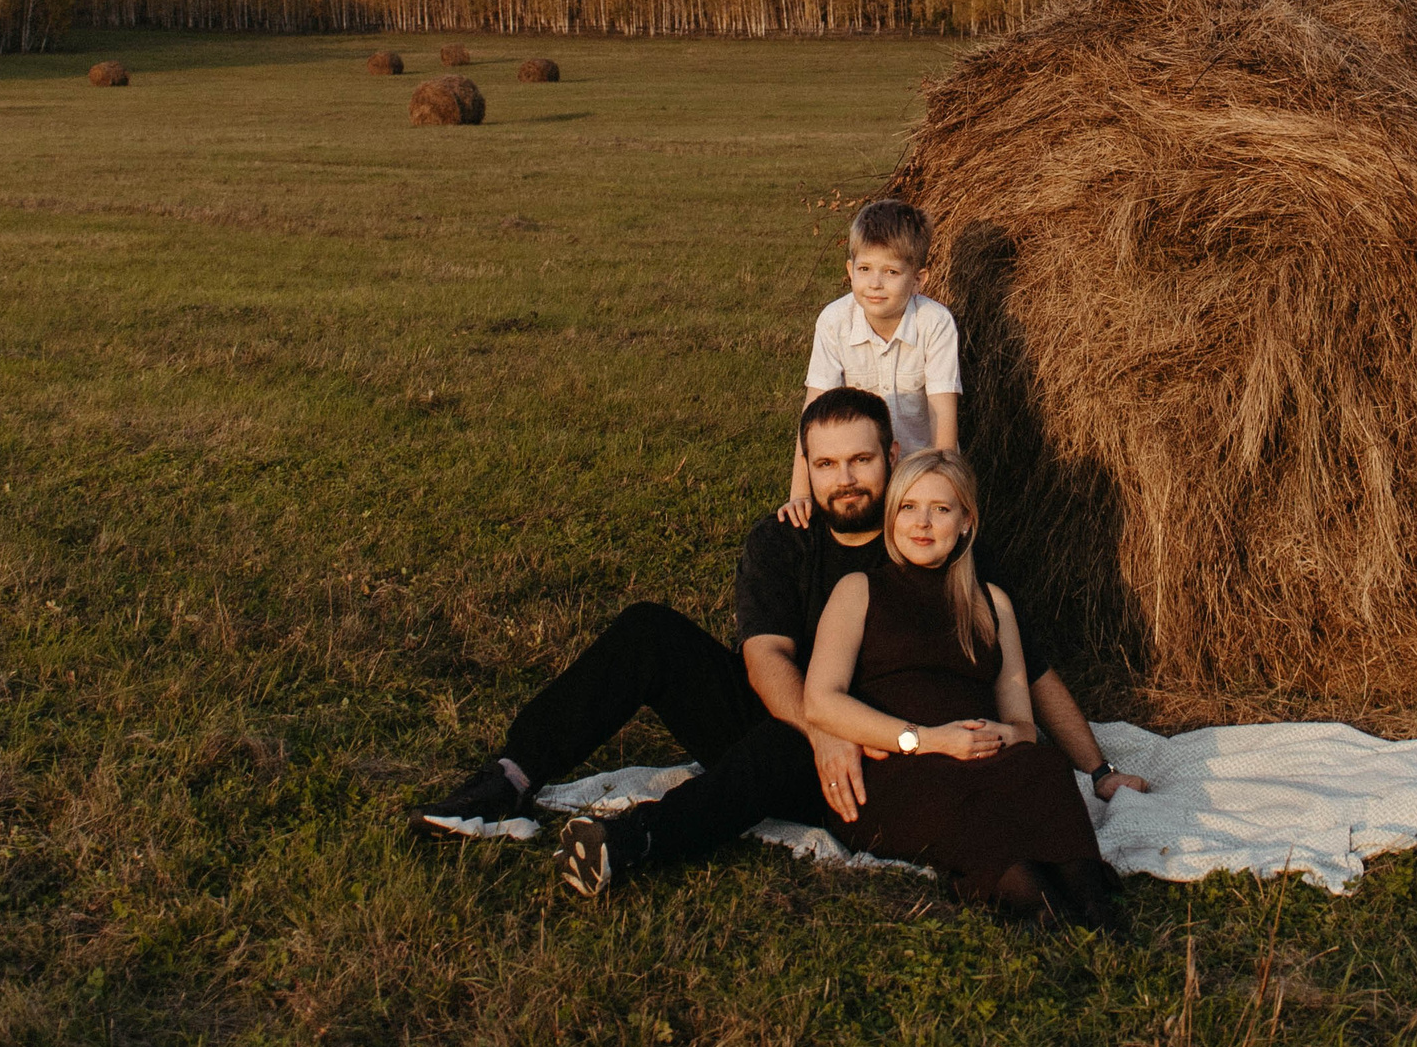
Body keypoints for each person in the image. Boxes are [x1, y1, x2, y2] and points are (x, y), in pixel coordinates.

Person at [405, 387, 1149, 895]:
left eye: (860, 459)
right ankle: (509, 777)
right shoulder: (784, 540)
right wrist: (821, 728)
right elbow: (765, 659)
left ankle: (634, 844)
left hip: (886, 751)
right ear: (808, 468)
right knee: (648, 632)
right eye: (825, 464)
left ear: (891, 453)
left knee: (776, 754)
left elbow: (1031, 665)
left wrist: (1100, 767)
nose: (844, 478)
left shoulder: (934, 533)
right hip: (803, 717)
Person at [805, 447, 1124, 931]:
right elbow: (821, 700)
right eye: (908, 507)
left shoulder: (991, 603)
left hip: (979, 756)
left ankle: (1091, 895)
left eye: (941, 508)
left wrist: (995, 737)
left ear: (966, 522)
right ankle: (1030, 900)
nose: (923, 523)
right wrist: (928, 740)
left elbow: (1022, 723)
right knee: (962, 795)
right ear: (891, 517)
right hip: (899, 768)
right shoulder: (859, 590)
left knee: (1043, 766)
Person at [782, 199, 959, 527]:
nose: (875, 284)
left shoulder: (936, 323)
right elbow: (814, 413)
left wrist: (942, 494)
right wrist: (800, 492)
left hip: (918, 474)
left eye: (891, 272)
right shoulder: (834, 321)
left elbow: (942, 419)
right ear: (850, 270)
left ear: (919, 279)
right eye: (865, 269)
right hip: (860, 476)